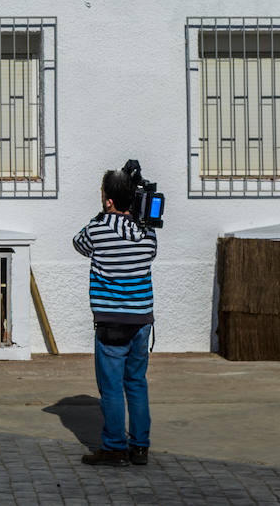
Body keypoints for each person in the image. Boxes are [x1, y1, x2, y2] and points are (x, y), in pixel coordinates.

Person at [72, 167, 158, 466]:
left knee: (110, 388)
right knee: (136, 382)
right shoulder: (147, 232)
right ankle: (141, 447)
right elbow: (150, 256)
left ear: (108, 201)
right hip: (141, 320)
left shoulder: (97, 230)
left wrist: (102, 217)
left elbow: (78, 243)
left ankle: (114, 448)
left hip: (110, 320)